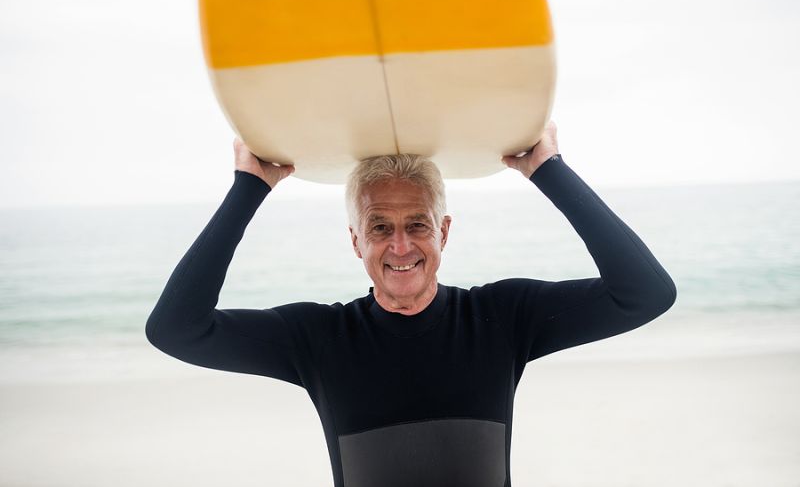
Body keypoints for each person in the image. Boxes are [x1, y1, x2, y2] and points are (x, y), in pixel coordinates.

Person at [145, 121, 676, 487]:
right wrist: (249, 188)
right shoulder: (319, 338)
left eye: (417, 224)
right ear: (355, 241)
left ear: (443, 232)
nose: (400, 246)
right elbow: (176, 329)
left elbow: (646, 293)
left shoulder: (501, 319)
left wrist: (548, 169)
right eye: (380, 227)